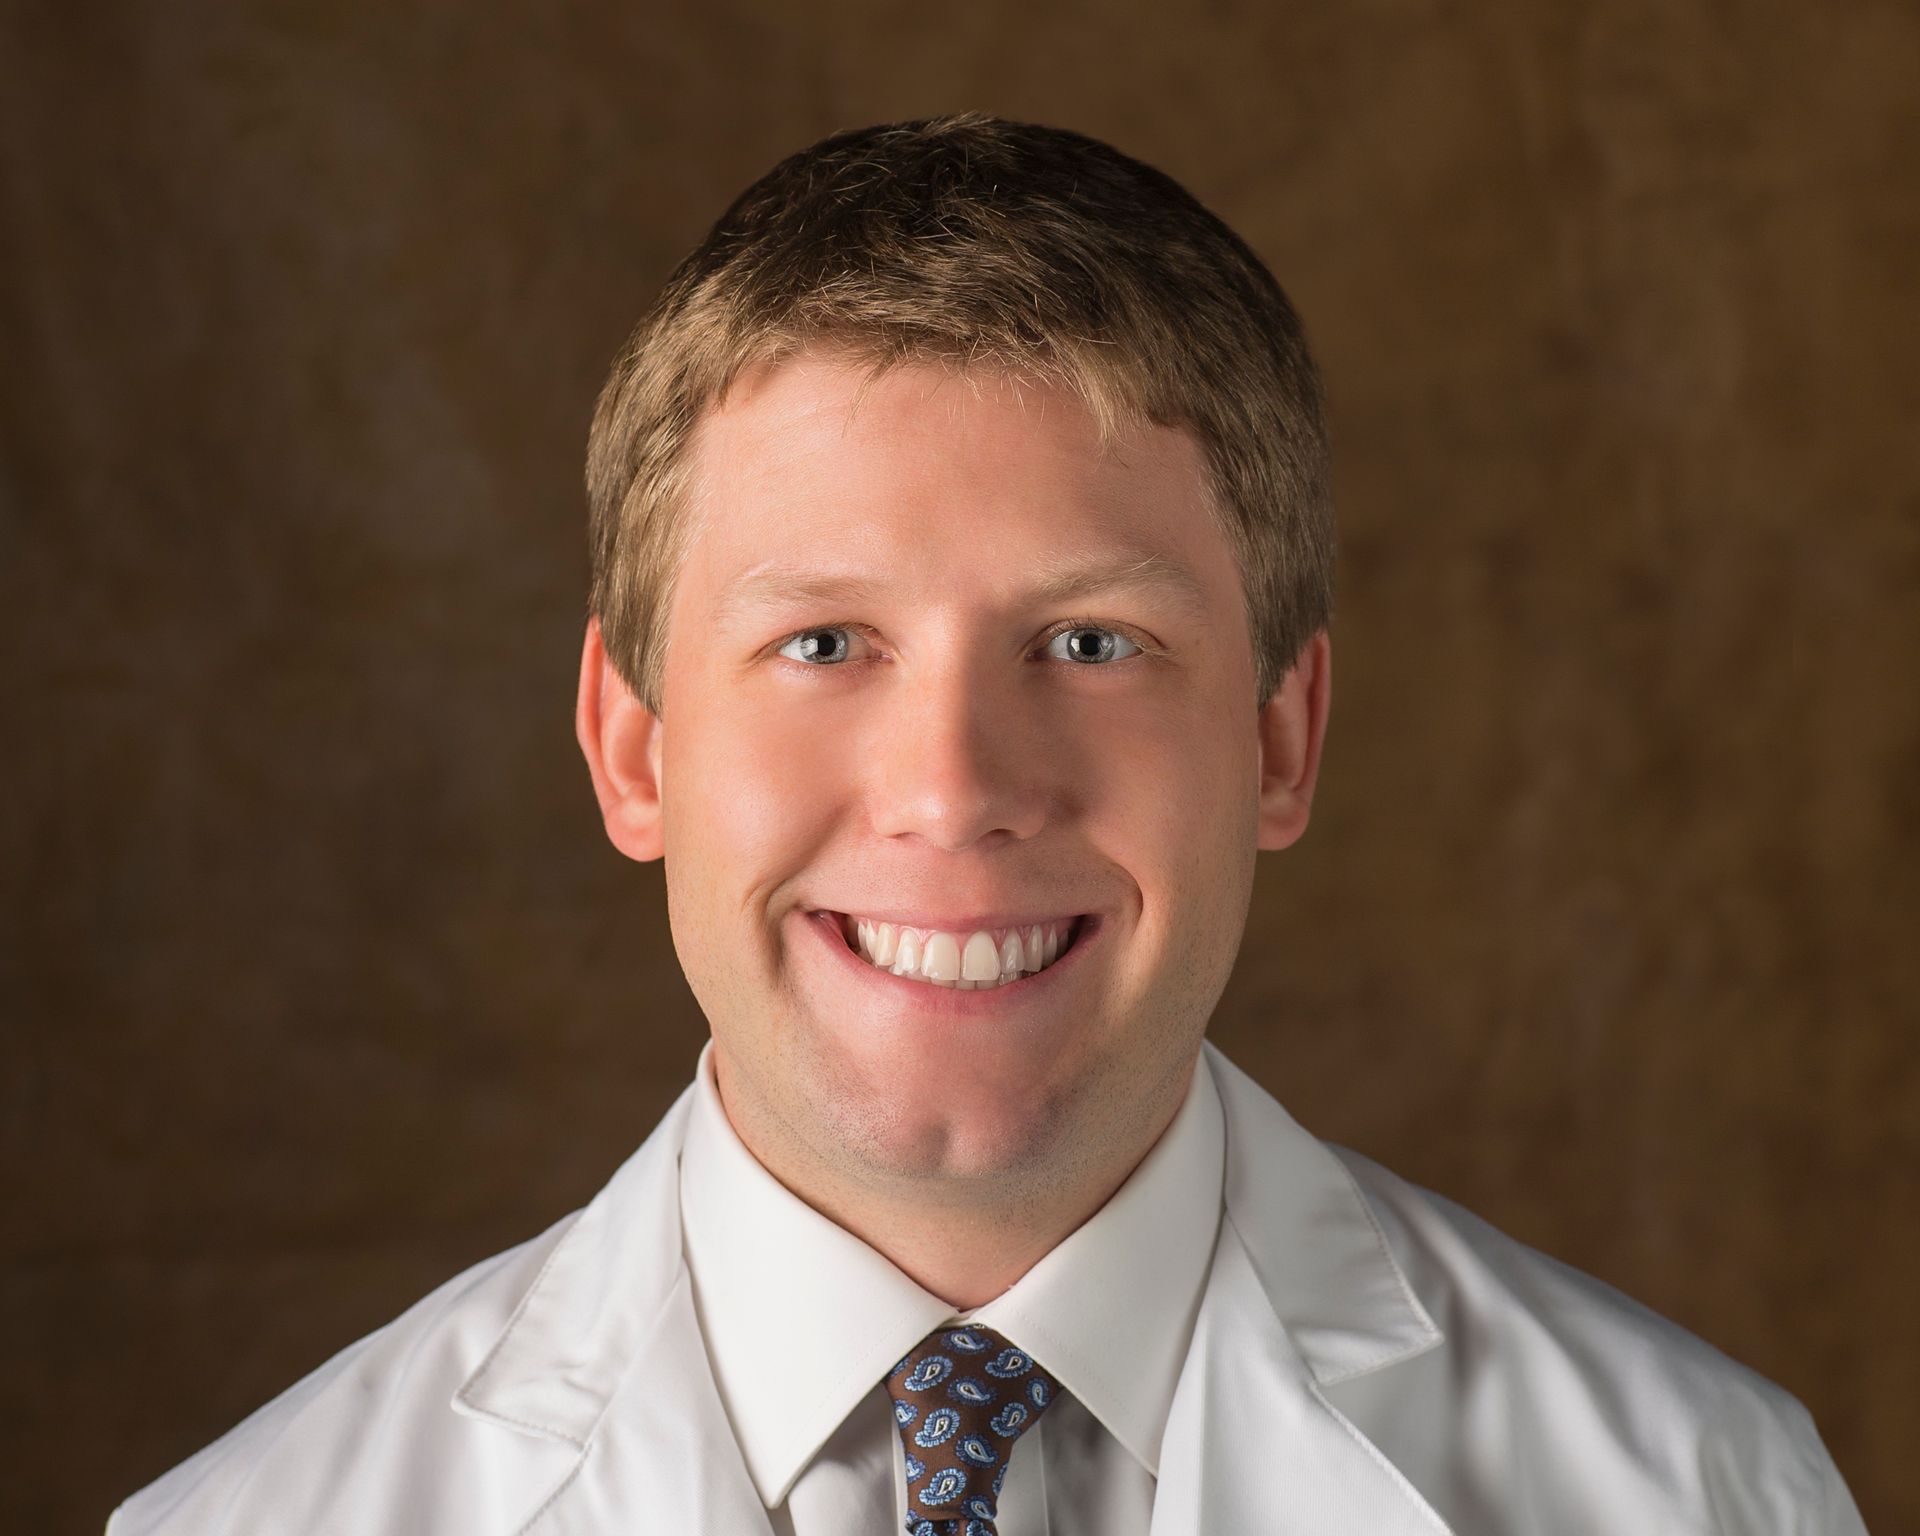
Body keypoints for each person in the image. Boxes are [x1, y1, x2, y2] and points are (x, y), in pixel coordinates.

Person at [107, 113, 1867, 1536]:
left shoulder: (1705, 1493)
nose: (953, 788)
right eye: (821, 644)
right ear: (632, 747)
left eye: (1090, 643)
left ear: (1278, 736)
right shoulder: (260, 1520)